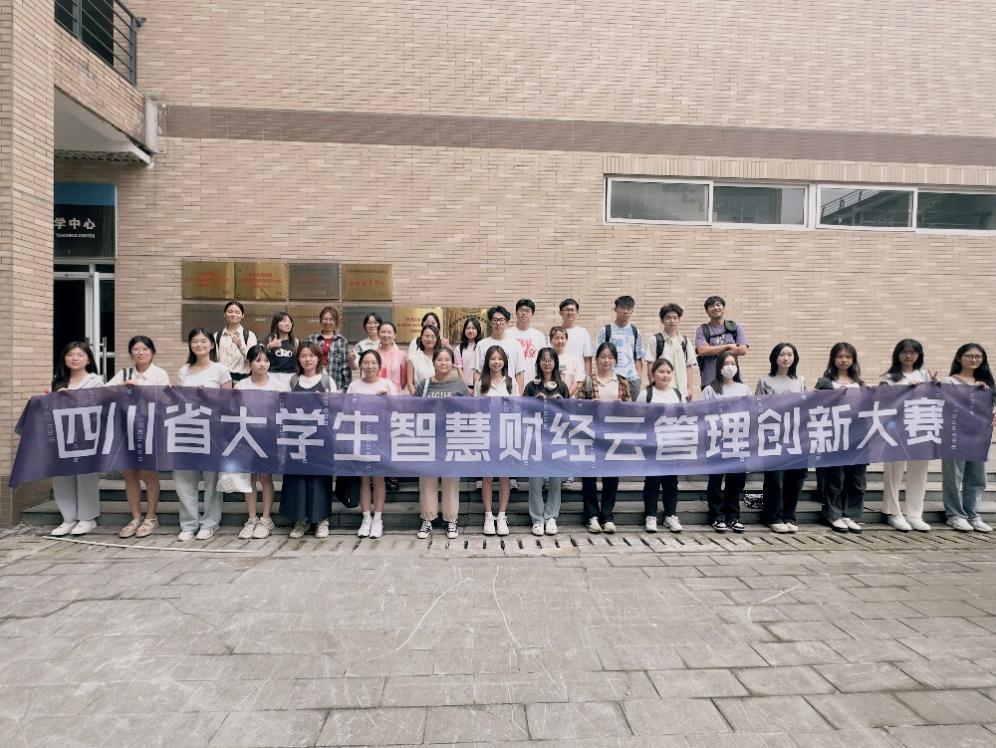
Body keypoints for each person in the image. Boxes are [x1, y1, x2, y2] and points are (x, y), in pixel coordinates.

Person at [106, 335, 170, 539]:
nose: (140, 353)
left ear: (152, 352)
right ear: (131, 353)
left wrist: (141, 389)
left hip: (150, 428)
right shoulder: (124, 373)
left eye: (145, 349)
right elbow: (106, 394)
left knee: (148, 473)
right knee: (130, 473)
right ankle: (135, 517)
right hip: (126, 429)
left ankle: (151, 517)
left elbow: (165, 401)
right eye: (136, 349)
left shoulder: (159, 374)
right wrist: (121, 388)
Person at [175, 327, 233, 541]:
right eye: (195, 342)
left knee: (211, 478)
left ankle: (210, 523)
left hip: (213, 429)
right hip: (187, 428)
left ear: (211, 345)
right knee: (184, 478)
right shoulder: (184, 371)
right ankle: (189, 524)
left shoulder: (220, 370)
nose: (199, 345)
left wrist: (208, 396)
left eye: (203, 341)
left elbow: (228, 401)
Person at [880, 339, 937, 532]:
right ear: (897, 354)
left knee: (919, 472)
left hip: (921, 428)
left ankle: (914, 514)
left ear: (919, 355)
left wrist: (934, 387)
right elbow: (884, 403)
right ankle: (893, 512)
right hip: (896, 429)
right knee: (894, 472)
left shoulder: (926, 376)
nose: (909, 355)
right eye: (904, 352)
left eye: (913, 352)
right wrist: (907, 389)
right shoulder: (889, 378)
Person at [49, 342, 105, 537]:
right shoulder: (58, 382)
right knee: (62, 477)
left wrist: (73, 399)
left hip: (87, 436)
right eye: (70, 355)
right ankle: (68, 519)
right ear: (64, 358)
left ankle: (87, 518)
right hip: (62, 436)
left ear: (88, 359)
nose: (74, 358)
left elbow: (100, 407)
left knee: (85, 476)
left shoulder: (95, 382)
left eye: (80, 355)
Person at [575, 342, 632, 533]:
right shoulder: (588, 381)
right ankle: (591, 515)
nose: (606, 360)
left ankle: (607, 515)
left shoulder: (622, 382)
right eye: (602, 357)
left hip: (613, 436)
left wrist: (621, 407)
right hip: (591, 435)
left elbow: (630, 410)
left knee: (611, 477)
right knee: (589, 476)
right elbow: (578, 406)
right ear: (596, 359)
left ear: (615, 360)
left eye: (610, 357)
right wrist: (591, 404)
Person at [282, 342, 337, 539]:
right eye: (303, 355)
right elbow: (283, 406)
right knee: (298, 479)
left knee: (319, 479)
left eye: (311, 355)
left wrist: (323, 401)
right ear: (298, 359)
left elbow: (337, 408)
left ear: (318, 358)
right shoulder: (292, 381)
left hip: (320, 438)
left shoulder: (327, 380)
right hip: (297, 438)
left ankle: (321, 520)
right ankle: (301, 520)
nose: (308, 359)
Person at [414, 347, 470, 540]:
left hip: (452, 439)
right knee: (427, 480)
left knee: (451, 481)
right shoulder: (425, 384)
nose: (443, 363)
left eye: (447, 360)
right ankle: (427, 519)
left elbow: (470, 410)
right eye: (440, 359)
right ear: (434, 362)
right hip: (428, 439)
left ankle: (451, 520)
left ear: (452, 363)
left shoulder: (459, 385)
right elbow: (414, 409)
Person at [234, 345, 289, 540]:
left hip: (268, 436)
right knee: (249, 478)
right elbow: (234, 411)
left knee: (265, 476)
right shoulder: (241, 386)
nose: (262, 364)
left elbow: (285, 413)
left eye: (266, 360)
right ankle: (251, 518)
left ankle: (266, 519)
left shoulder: (279, 386)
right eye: (258, 360)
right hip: (246, 436)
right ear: (249, 363)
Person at [942, 343, 996, 532]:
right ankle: (955, 515)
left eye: (978, 356)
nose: (974, 359)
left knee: (977, 477)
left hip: (979, 437)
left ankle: (972, 514)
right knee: (953, 477)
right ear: (959, 358)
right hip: (954, 435)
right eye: (969, 356)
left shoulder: (986, 384)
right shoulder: (950, 381)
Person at [756, 343, 808, 534]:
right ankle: (773, 516)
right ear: (774, 357)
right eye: (782, 354)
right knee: (775, 478)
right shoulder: (765, 381)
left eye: (790, 354)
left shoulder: (800, 380)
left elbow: (807, 406)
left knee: (796, 478)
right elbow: (758, 407)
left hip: (796, 437)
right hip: (774, 437)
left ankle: (789, 516)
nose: (786, 358)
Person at [815, 342, 866, 534]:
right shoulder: (825, 382)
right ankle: (833, 514)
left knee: (857, 479)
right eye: (840, 356)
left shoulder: (860, 384)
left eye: (848, 357)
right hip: (834, 436)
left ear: (853, 360)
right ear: (833, 359)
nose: (844, 360)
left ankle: (849, 514)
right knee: (835, 477)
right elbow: (816, 407)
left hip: (857, 436)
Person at [347, 349, 399, 538]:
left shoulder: (387, 384)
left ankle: (378, 519)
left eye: (373, 363)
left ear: (379, 365)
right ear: (361, 365)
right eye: (366, 362)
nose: (369, 366)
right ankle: (366, 518)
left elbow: (398, 410)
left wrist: (387, 400)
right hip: (360, 436)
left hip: (381, 437)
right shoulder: (354, 385)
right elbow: (347, 411)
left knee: (378, 479)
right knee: (363, 479)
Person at [701, 354, 752, 533]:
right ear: (719, 367)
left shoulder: (744, 388)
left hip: (738, 440)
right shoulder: (710, 389)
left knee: (736, 480)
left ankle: (733, 515)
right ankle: (716, 515)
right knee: (716, 479)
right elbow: (702, 413)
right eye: (725, 363)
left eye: (733, 363)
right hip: (717, 440)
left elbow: (752, 412)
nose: (729, 367)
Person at [523, 348, 569, 536]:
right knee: (535, 478)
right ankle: (537, 519)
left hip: (556, 437)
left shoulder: (562, 386)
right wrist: (535, 402)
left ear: (555, 363)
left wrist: (560, 402)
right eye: (543, 359)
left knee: (555, 478)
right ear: (538, 363)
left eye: (550, 360)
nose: (547, 363)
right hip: (536, 437)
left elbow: (568, 415)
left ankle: (551, 517)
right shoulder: (531, 386)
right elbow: (523, 411)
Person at [476, 345, 519, 535]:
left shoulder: (511, 382)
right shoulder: (481, 383)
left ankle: (501, 516)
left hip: (506, 434)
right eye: (493, 358)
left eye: (500, 359)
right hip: (487, 435)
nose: (496, 362)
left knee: (504, 476)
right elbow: (476, 410)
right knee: (487, 476)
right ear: (487, 361)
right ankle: (488, 516)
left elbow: (517, 408)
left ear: (504, 361)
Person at [638, 358, 683, 533]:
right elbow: (638, 418)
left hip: (672, 445)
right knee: (653, 481)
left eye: (668, 372)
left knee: (671, 482)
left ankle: (670, 515)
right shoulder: (646, 394)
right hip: (652, 445)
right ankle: (650, 515)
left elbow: (684, 418)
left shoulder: (677, 394)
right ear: (653, 374)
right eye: (661, 371)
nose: (665, 375)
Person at [594, 295, 645, 401]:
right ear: (615, 309)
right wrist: (601, 378)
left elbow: (638, 358)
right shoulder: (606, 331)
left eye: (629, 308)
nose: (625, 311)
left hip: (631, 379)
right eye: (622, 308)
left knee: (632, 410)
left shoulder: (635, 332)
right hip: (611, 379)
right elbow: (599, 356)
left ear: (632, 311)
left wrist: (639, 379)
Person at [694, 295, 748, 391]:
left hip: (733, 379)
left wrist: (712, 349)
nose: (715, 308)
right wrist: (728, 346)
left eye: (718, 305)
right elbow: (702, 351)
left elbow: (742, 350)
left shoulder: (735, 327)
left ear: (723, 308)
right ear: (707, 311)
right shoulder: (702, 330)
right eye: (711, 306)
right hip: (710, 381)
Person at [645, 303, 697, 400]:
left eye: (675, 318)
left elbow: (689, 366)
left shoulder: (685, 341)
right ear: (662, 320)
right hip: (661, 392)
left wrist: (689, 388)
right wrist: (653, 388)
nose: (672, 321)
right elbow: (650, 365)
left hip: (681, 391)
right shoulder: (655, 340)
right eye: (668, 318)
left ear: (679, 320)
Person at [473, 305, 527, 393]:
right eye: (495, 320)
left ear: (507, 322)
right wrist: (478, 395)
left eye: (501, 320)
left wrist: (519, 397)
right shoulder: (481, 345)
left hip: (509, 392)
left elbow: (519, 373)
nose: (498, 323)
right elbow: (477, 372)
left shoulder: (515, 345)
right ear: (490, 322)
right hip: (487, 393)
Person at [307, 306, 351, 392]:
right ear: (320, 320)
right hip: (314, 383)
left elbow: (345, 366)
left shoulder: (342, 340)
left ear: (336, 321)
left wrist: (346, 387)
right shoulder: (312, 339)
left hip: (336, 383)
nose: (328, 322)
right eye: (325, 319)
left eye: (331, 319)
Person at [215, 300, 257, 382]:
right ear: (224, 314)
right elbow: (213, 359)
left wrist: (240, 346)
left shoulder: (249, 335)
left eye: (237, 312)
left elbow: (253, 358)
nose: (233, 315)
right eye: (230, 312)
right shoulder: (217, 335)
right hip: (222, 380)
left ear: (242, 315)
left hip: (243, 380)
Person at [507, 298, 547, 377]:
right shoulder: (507, 334)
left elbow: (544, 359)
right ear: (516, 312)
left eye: (527, 311)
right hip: (511, 379)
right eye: (521, 310)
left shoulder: (539, 336)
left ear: (532, 314)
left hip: (533, 379)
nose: (524, 313)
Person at [558, 298, 593, 375]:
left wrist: (588, 377)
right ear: (560, 313)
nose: (570, 313)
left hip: (579, 376)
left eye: (572, 310)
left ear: (577, 313)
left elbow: (587, 358)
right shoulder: (555, 333)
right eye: (567, 310)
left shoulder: (583, 332)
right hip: (560, 375)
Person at [265, 311, 298, 388]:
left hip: (291, 376)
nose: (287, 324)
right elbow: (258, 355)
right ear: (276, 323)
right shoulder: (269, 339)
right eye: (284, 321)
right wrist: (270, 346)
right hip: (272, 376)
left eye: (290, 322)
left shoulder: (295, 342)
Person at [549, 326, 583, 397]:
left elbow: (577, 382)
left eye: (562, 338)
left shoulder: (574, 360)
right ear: (551, 340)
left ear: (566, 340)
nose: (560, 341)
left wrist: (565, 397)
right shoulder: (545, 359)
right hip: (549, 400)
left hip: (568, 400)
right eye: (556, 338)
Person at [376, 321, 409, 393]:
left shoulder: (402, 355)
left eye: (389, 332)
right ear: (378, 334)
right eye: (383, 332)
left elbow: (404, 379)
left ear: (394, 335)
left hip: (395, 394)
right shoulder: (373, 354)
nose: (386, 335)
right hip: (375, 393)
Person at [407, 324, 439, 394]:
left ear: (437, 339)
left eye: (433, 336)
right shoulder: (413, 357)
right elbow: (410, 383)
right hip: (420, 397)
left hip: (439, 396)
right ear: (421, 338)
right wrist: (417, 398)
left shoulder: (441, 357)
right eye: (427, 336)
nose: (430, 339)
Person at [454, 317, 482, 389]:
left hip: (482, 386)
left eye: (473, 328)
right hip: (465, 386)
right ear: (464, 330)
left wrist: (477, 388)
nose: (470, 330)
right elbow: (459, 369)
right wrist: (466, 388)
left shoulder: (482, 346)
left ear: (478, 330)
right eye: (468, 328)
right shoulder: (459, 349)